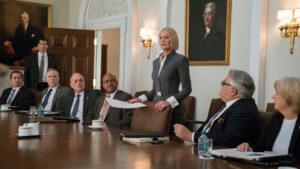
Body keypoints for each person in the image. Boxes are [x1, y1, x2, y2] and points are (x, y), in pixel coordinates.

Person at [128, 27, 192, 134]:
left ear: (173, 40)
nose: (162, 40)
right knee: (157, 145)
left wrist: (168, 102)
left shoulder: (180, 60)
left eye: (166, 37)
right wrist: (139, 99)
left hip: (174, 110)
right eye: (160, 38)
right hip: (156, 108)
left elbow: (187, 89)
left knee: (172, 146)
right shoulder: (155, 62)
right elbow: (154, 90)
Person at [174, 69, 259, 147]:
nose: (221, 85)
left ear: (233, 90)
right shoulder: (225, 104)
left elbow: (228, 140)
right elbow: (207, 129)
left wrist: (191, 136)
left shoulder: (244, 111)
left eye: (224, 83)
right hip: (201, 147)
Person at [237, 77, 300, 162]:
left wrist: (282, 157)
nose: (273, 96)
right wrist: (249, 147)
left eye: (277, 93)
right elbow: (262, 147)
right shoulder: (277, 118)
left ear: (291, 96)